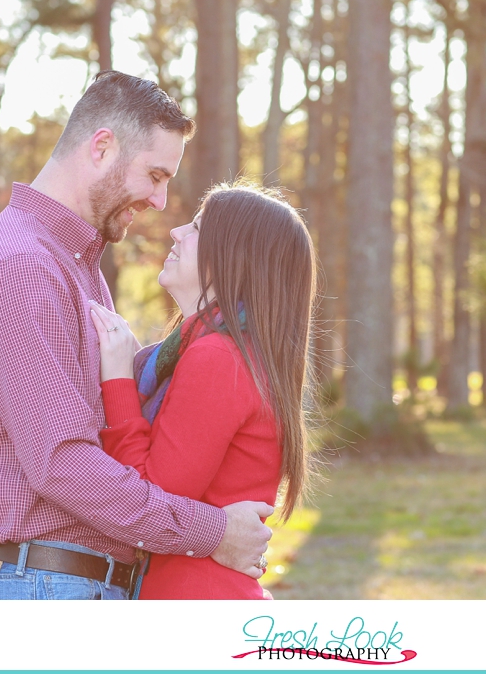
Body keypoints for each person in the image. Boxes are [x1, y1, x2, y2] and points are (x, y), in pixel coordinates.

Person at [0, 71, 273, 600]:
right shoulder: (23, 266)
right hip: (42, 589)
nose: (161, 201)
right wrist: (212, 533)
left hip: (63, 586)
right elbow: (63, 464)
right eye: (155, 175)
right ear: (102, 147)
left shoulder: (74, 265)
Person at [87, 182, 317, 599]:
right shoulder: (221, 354)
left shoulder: (218, 358)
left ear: (235, 256)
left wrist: (117, 380)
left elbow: (152, 497)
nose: (176, 233)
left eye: (197, 227)